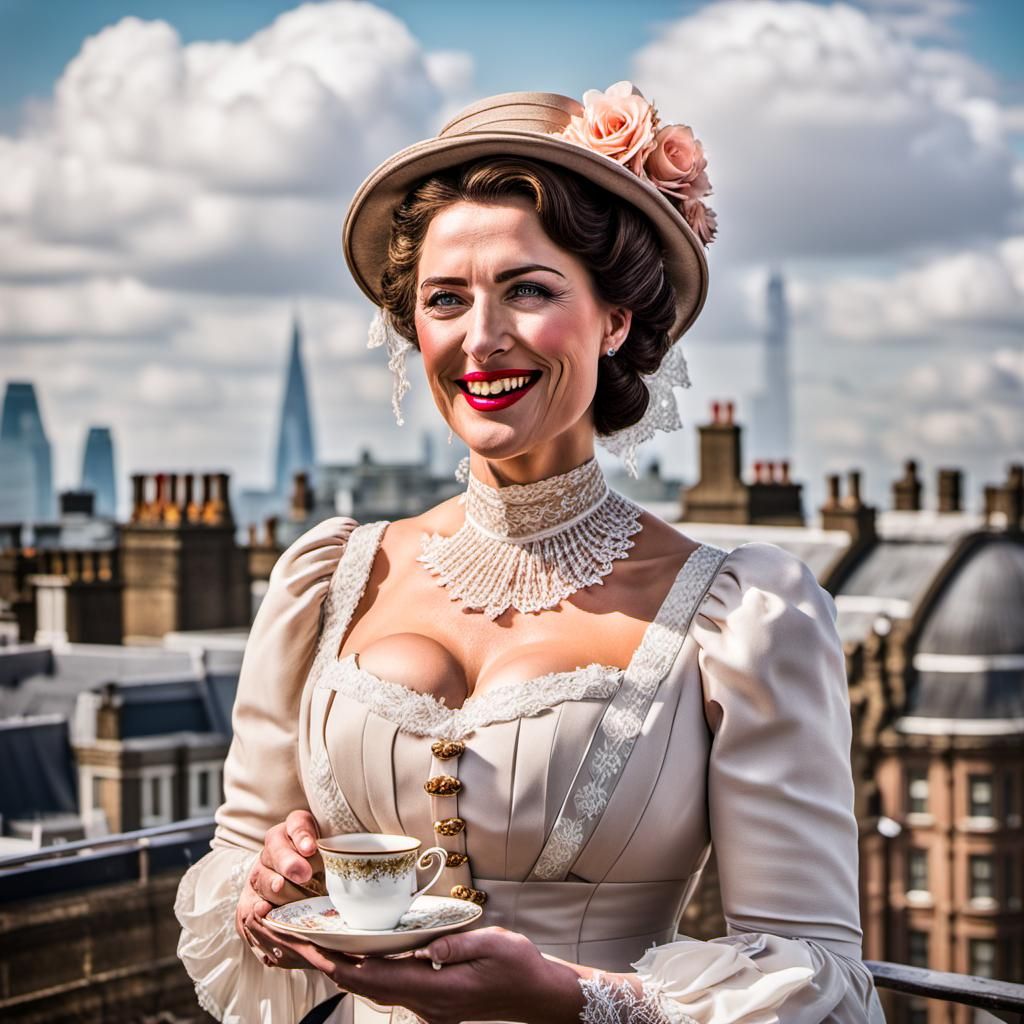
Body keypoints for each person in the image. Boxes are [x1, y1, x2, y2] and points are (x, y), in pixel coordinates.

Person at [174, 84, 886, 1024]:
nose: (481, 338)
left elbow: (814, 975)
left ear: (617, 320)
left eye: (529, 291)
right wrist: (263, 890)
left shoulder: (744, 612)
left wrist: (574, 997)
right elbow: (238, 873)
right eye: (445, 299)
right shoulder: (329, 578)